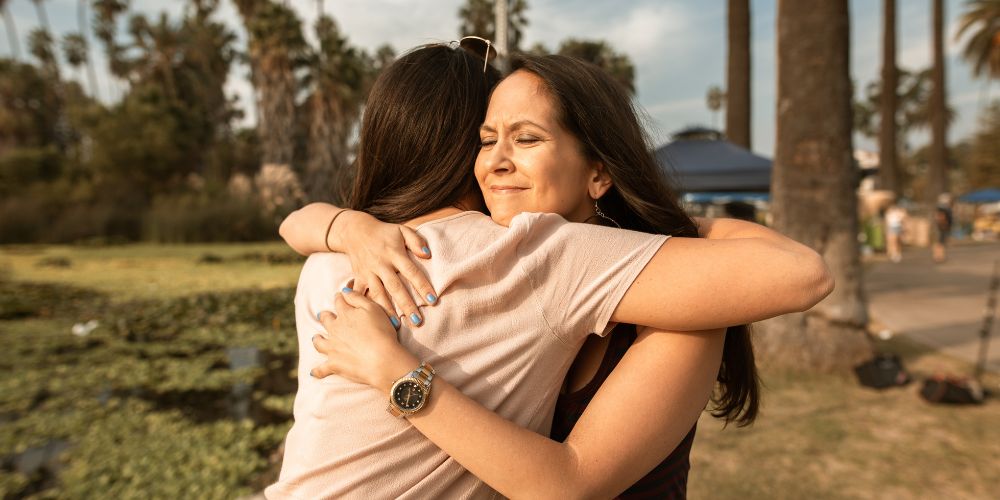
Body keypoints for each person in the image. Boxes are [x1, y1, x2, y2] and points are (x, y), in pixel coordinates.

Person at [268, 47, 832, 499]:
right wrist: (350, 228)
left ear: (598, 173)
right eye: (486, 141)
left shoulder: (603, 282)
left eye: (527, 138)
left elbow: (802, 274)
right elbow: (298, 224)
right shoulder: (509, 261)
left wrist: (398, 375)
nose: (495, 161)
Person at [933, 193, 953, 263]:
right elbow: (941, 217)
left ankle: (940, 256)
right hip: (942, 226)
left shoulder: (943, 207)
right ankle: (939, 256)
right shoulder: (943, 208)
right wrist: (944, 225)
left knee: (941, 242)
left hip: (943, 226)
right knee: (940, 243)